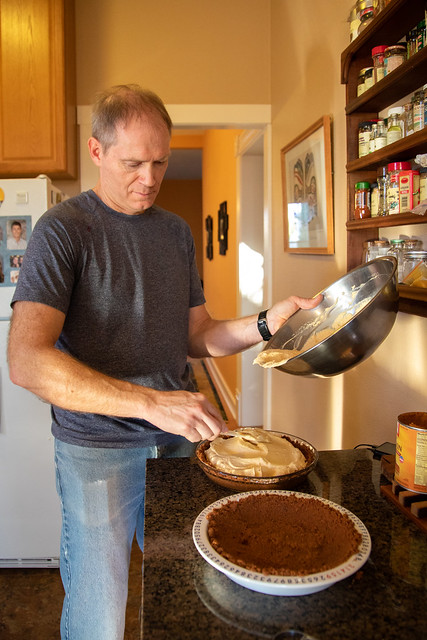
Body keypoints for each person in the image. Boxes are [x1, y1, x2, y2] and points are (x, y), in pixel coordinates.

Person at [7, 84, 321, 640]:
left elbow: (198, 336)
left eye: (160, 161)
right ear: (97, 152)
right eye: (133, 163)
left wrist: (270, 321)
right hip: (96, 452)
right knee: (101, 612)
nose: (149, 179)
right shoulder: (64, 231)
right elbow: (27, 361)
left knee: (185, 594)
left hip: (178, 449)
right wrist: (151, 403)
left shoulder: (175, 233)